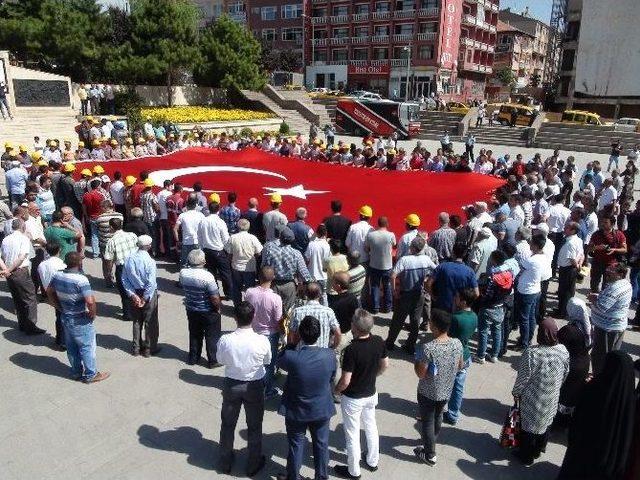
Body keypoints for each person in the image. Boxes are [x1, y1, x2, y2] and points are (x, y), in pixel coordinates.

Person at [558, 351, 636, 480]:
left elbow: (579, 416)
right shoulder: (629, 398)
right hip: (609, 458)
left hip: (585, 447)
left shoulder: (595, 388)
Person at [276, 315, 336, 480]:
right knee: (322, 445)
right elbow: (331, 377)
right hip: (321, 408)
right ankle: (321, 477)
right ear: (319, 334)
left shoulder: (292, 357)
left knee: (296, 445)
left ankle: (293, 477)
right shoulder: (329, 355)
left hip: (296, 409)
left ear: (300, 335)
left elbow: (279, 360)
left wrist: (292, 343)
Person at [217, 302, 271, 476]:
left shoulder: (225, 340)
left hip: (232, 384)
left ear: (235, 318)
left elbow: (221, 359)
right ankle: (253, 464)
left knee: (227, 424)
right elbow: (267, 361)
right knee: (254, 426)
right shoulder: (262, 340)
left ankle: (225, 461)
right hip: (254, 386)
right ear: (253, 317)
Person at [333, 309, 388, 479]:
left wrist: (336, 390)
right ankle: (372, 460)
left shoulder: (352, 349)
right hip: (371, 393)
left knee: (352, 433)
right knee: (371, 426)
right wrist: (373, 375)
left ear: (355, 328)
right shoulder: (379, 341)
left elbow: (346, 380)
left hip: (353, 398)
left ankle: (353, 470)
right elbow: (385, 365)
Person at [511, 318, 569, 466]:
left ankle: (526, 456)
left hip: (532, 399)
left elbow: (523, 378)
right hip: (552, 397)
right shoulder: (563, 350)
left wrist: (516, 393)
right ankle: (538, 449)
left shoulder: (532, 353)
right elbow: (565, 373)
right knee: (546, 423)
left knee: (529, 429)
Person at [47, 252, 110, 383]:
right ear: (79, 263)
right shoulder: (81, 280)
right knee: (87, 346)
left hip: (65, 316)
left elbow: (49, 291)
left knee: (71, 346)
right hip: (79, 317)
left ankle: (76, 372)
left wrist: (57, 306)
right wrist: (92, 313)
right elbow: (90, 301)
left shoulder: (57, 275)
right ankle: (91, 374)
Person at [413, 309, 463, 466]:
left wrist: (417, 362)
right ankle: (432, 441)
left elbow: (421, 374)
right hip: (446, 390)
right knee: (439, 415)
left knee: (427, 421)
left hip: (428, 391)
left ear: (434, 326)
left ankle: (429, 454)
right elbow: (460, 365)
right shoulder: (457, 343)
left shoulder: (428, 348)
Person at [386, 236, 436, 354]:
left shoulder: (405, 260)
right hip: (419, 294)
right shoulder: (426, 259)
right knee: (415, 321)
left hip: (405, 294)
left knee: (398, 320)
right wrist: (428, 281)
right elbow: (436, 270)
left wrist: (394, 291)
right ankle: (410, 345)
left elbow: (393, 275)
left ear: (413, 248)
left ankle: (390, 343)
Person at [179, 248, 222, 368]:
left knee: (194, 333)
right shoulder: (207, 276)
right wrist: (218, 308)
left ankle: (193, 357)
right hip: (208, 310)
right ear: (203, 261)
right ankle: (213, 360)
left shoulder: (183, 273)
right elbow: (214, 297)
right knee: (212, 335)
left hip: (191, 308)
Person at [245, 266, 283, 399]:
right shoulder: (276, 298)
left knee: (254, 361)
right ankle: (267, 391)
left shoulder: (249, 292)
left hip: (253, 332)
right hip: (269, 334)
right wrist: (282, 332)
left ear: (258, 277)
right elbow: (279, 320)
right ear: (273, 278)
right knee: (268, 364)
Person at [1, 218, 44, 334]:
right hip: (20, 271)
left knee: (17, 298)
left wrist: (6, 270)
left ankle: (22, 324)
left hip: (9, 272)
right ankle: (30, 326)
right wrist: (9, 269)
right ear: (22, 227)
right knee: (30, 298)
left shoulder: (5, 239)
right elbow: (22, 257)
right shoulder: (24, 239)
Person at [589, 262, 633, 374]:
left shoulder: (615, 288)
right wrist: (599, 297)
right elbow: (612, 301)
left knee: (601, 356)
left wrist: (593, 300)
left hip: (607, 329)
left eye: (611, 271)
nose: (607, 272)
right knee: (611, 355)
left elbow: (602, 307)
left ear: (620, 274)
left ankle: (599, 379)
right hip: (616, 326)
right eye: (608, 269)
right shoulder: (625, 283)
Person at [443, 288, 478, 426]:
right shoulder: (474, 316)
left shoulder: (456, 318)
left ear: (463, 302)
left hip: (453, 356)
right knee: (458, 387)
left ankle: (437, 410)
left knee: (443, 385)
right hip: (465, 355)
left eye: (457, 297)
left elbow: (447, 336)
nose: (455, 299)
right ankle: (453, 414)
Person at [555, 298, 592, 427]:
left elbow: (557, 346)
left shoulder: (569, 330)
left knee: (563, 393)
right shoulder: (587, 325)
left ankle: (558, 422)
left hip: (571, 365)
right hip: (583, 363)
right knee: (573, 394)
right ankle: (567, 420)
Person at [122, 235, 159, 357]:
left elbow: (124, 279)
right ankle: (149, 348)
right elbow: (151, 282)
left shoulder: (128, 258)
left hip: (135, 291)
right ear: (148, 246)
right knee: (150, 321)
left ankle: (136, 348)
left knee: (137, 321)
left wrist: (132, 294)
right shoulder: (150, 261)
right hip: (147, 293)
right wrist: (145, 297)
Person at [475, 250, 514, 363]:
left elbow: (487, 293)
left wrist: (482, 297)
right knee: (497, 331)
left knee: (483, 331)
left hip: (488, 307)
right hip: (500, 306)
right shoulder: (509, 274)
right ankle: (494, 355)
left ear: (494, 260)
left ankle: (481, 356)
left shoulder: (493, 277)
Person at [261, 226, 312, 314]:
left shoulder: (270, 251)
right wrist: (309, 282)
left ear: (280, 238)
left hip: (273, 283)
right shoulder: (296, 253)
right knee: (288, 312)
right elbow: (304, 272)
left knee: (273, 310)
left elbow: (264, 266)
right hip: (289, 285)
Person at [513, 234, 550, 350]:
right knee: (531, 317)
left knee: (524, 318)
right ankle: (528, 338)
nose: (529, 244)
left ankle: (523, 343)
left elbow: (519, 271)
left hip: (526, 291)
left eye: (531, 243)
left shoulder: (531, 260)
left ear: (535, 245)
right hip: (536, 289)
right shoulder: (544, 257)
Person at [103, 217, 138, 321]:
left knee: (124, 291)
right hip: (135, 265)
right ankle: (137, 309)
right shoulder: (132, 235)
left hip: (122, 268)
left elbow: (108, 259)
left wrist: (109, 272)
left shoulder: (111, 241)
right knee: (136, 287)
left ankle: (128, 315)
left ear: (111, 227)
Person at [427, 243, 478, 313]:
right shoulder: (470, 272)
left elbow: (428, 283)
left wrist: (433, 297)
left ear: (452, 252)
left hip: (441, 306)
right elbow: (476, 293)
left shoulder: (442, 267)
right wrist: (465, 305)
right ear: (465, 254)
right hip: (459, 309)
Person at [289, 282, 341, 349]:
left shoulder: (297, 312)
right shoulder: (328, 312)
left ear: (306, 294)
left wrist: (290, 350)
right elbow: (338, 333)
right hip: (322, 354)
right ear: (320, 294)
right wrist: (333, 347)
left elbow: (291, 335)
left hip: (302, 354)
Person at [225, 218, 262, 306]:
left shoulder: (232, 238)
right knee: (249, 290)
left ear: (238, 227)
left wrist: (229, 263)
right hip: (249, 268)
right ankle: (249, 307)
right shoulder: (253, 238)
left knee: (236, 288)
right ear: (248, 227)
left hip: (236, 267)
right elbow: (258, 253)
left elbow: (229, 253)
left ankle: (237, 306)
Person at [38, 242, 67, 349]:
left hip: (48, 292)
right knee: (63, 316)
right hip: (60, 292)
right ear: (59, 250)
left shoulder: (41, 265)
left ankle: (59, 338)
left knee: (58, 315)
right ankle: (63, 341)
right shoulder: (61, 265)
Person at [588, 215, 627, 292]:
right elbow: (589, 248)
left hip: (611, 264)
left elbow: (624, 249)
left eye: (606, 222)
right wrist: (597, 247)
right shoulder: (596, 234)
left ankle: (602, 300)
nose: (603, 224)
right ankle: (594, 298)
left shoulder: (619, 235)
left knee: (607, 286)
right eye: (602, 222)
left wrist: (614, 250)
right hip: (597, 262)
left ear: (612, 224)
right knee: (594, 283)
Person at [365, 216, 396, 314]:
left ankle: (375, 308)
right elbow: (394, 245)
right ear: (387, 224)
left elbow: (366, 249)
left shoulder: (371, 235)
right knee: (387, 286)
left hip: (374, 265)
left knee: (375, 286)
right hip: (387, 265)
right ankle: (388, 307)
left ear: (378, 224)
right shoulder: (391, 235)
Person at [554, 221, 584, 318]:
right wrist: (580, 264)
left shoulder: (570, 243)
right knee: (567, 290)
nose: (564, 228)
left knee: (565, 292)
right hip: (570, 268)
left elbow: (572, 259)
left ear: (573, 230)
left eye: (567, 227)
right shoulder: (578, 240)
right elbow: (581, 254)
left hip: (568, 269)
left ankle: (562, 312)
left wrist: (577, 266)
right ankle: (562, 309)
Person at [174, 194, 204, 267]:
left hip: (186, 243)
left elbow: (175, 229)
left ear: (187, 205)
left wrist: (177, 241)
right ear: (195, 205)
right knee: (197, 264)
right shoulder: (201, 215)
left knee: (184, 264)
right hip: (197, 242)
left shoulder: (182, 215)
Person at [305, 223, 330, 305]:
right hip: (323, 276)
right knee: (323, 295)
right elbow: (327, 261)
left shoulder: (311, 244)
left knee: (311, 297)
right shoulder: (327, 245)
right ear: (325, 233)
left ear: (317, 233)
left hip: (312, 275)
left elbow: (307, 258)